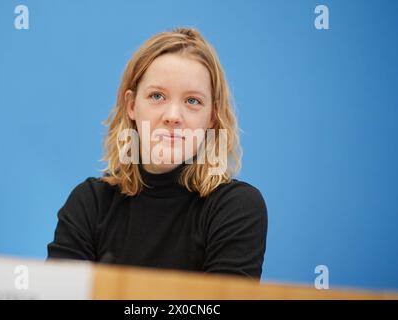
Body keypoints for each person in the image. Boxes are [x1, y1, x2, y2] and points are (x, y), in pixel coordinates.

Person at [47, 27, 268, 279]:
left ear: (212, 117)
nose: (173, 116)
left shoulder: (236, 207)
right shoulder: (90, 203)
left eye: (192, 101)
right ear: (131, 105)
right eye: (157, 96)